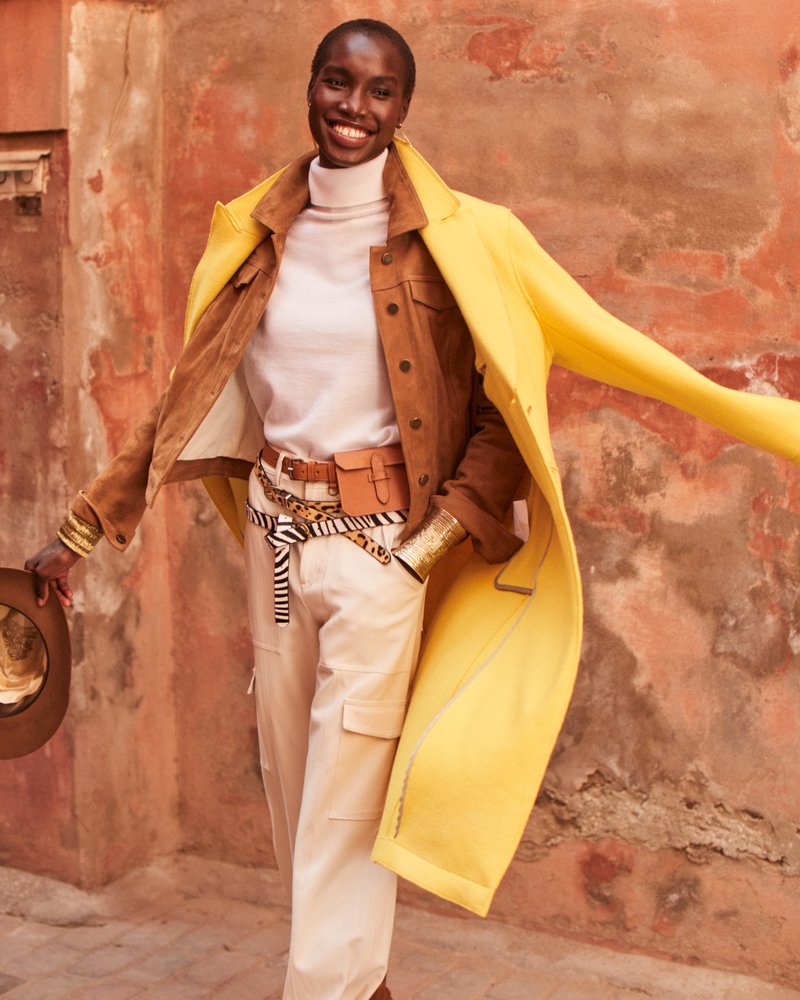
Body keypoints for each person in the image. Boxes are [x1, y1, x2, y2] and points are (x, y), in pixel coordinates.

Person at [24, 17, 800, 1000]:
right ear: (311, 87)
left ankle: (324, 989)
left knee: (345, 798)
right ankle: (364, 981)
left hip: (378, 552)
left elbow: (502, 413)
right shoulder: (256, 235)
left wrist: (420, 552)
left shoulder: (462, 240)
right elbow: (182, 400)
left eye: (378, 90)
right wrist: (80, 532)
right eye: (337, 82)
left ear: (404, 106)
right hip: (275, 542)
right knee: (296, 788)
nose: (353, 108)